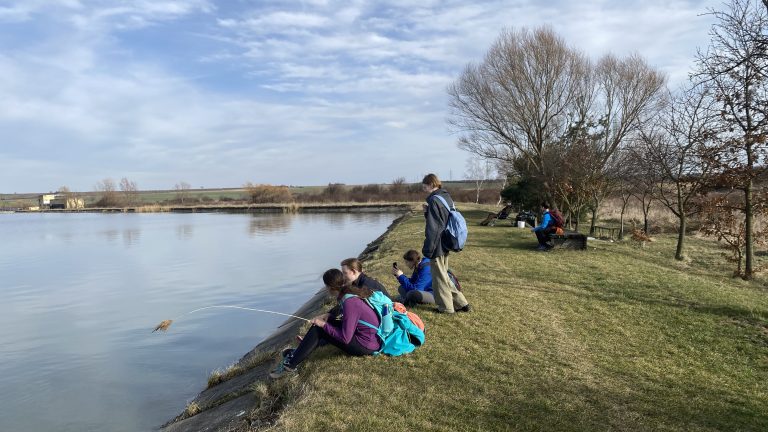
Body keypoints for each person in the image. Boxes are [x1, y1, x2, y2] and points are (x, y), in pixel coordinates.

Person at [270, 269, 381, 378]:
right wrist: (328, 317)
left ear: (330, 287)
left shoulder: (349, 302)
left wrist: (323, 325)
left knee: (319, 328)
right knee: (322, 324)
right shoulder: (348, 294)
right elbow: (350, 321)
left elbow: (345, 338)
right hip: (367, 339)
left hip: (366, 346)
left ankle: (290, 366)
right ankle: (298, 352)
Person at [421, 173, 472, 314]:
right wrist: (427, 212)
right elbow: (442, 220)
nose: (424, 189)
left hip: (437, 243)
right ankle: (461, 303)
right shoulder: (445, 196)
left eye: (424, 187)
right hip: (446, 241)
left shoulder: (434, 200)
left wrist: (428, 248)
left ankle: (446, 308)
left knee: (439, 277)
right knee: (443, 274)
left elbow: (434, 228)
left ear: (431, 185)